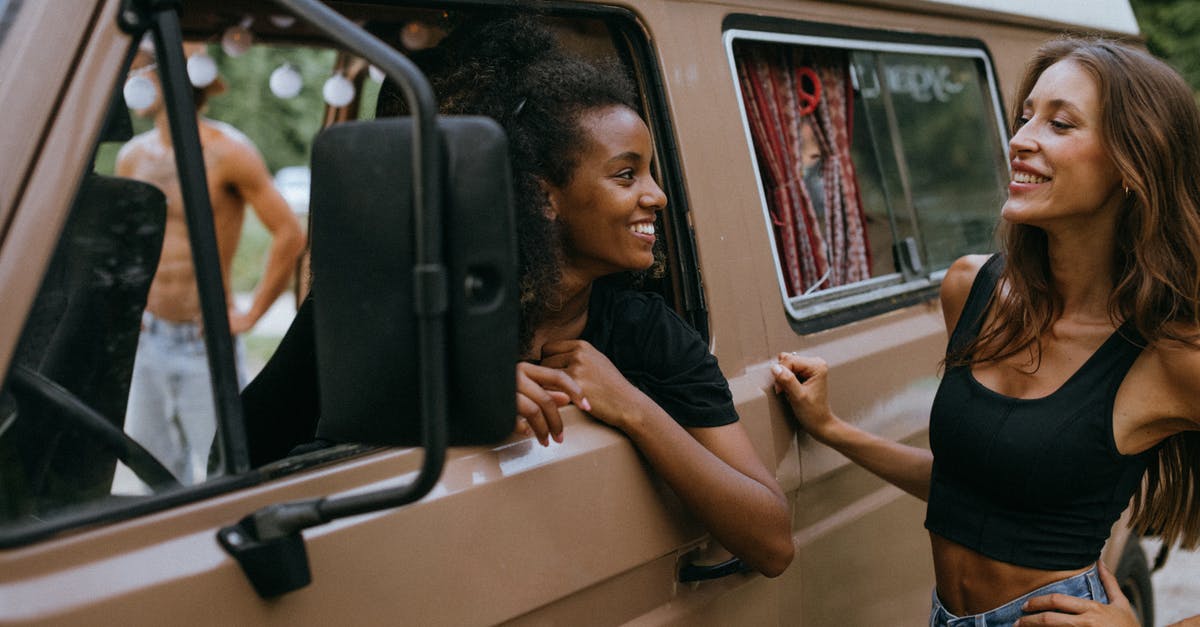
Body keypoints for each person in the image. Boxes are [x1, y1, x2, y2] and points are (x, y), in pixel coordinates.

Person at [772, 36, 1200, 626]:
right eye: (1025, 117)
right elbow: (970, 487)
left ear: (1133, 165)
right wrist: (830, 429)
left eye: (1060, 124)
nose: (1021, 140)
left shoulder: (1170, 354)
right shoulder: (972, 288)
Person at [378, 16, 793, 577]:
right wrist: (463, 394)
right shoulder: (434, 312)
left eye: (650, 173)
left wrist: (631, 407)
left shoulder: (645, 331)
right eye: (627, 176)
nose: (659, 197)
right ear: (542, 197)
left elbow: (772, 541)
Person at [114, 43, 305, 488]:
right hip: (146, 338)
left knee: (227, 473)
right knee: (153, 473)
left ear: (170, 82)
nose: (133, 83)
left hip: (205, 345)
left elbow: (290, 234)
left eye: (143, 73)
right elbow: (126, 245)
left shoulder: (229, 152)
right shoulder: (133, 156)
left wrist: (252, 314)